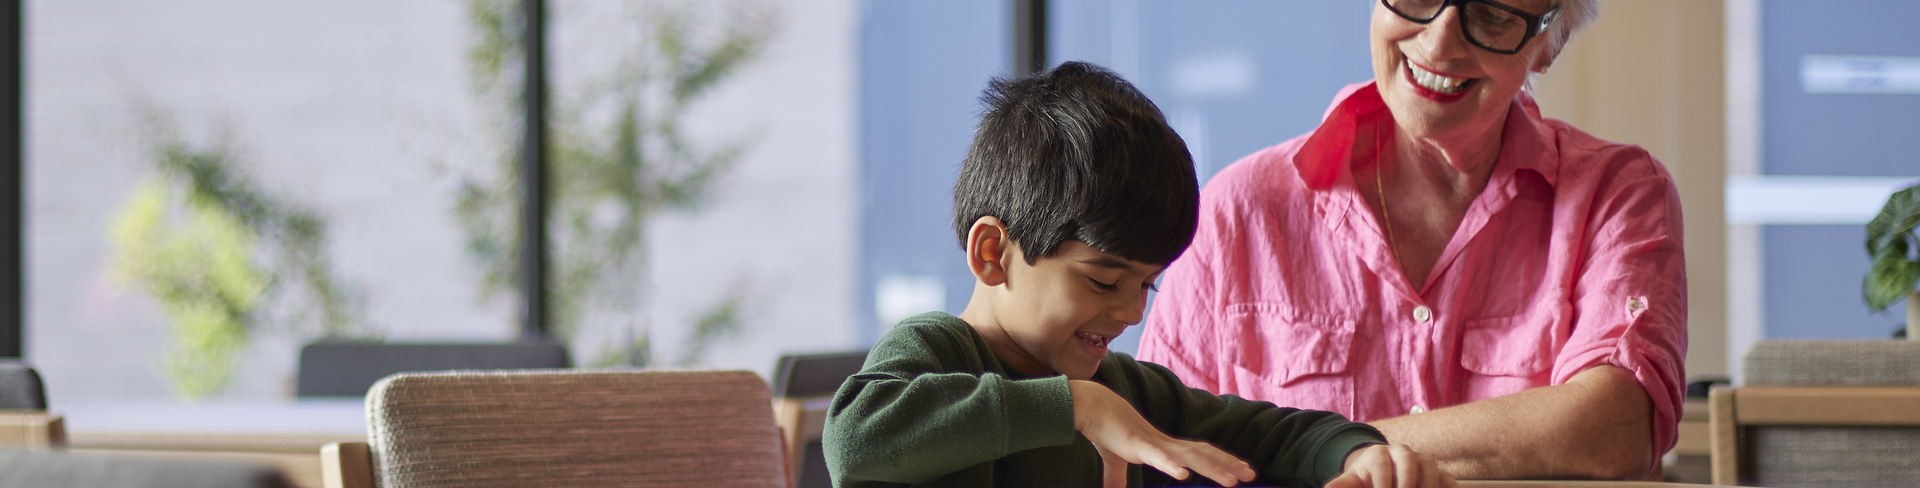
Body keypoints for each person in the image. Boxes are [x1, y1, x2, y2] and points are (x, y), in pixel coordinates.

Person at [824, 61, 1456, 488]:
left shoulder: (1126, 389)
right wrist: (1075, 406)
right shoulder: (937, 352)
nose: (1131, 312)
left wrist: (1360, 454)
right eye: (1104, 281)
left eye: (1146, 285)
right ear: (993, 252)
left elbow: (1273, 430)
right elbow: (855, 435)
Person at [1138, 0, 1686, 481]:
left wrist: (1319, 450)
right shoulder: (1236, 212)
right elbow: (1158, 450)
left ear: (1549, 43)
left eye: (1493, 13)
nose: (1440, 39)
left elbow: (1614, 427)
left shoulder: (1618, 194)